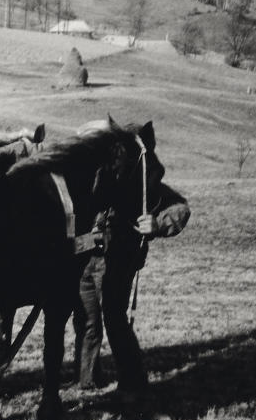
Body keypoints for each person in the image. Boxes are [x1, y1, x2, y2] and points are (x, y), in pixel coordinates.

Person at [72, 122, 191, 397]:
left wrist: (158, 224)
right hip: (84, 264)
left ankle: (134, 383)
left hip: (118, 262)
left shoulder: (137, 181)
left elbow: (180, 208)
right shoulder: (86, 181)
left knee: (114, 320)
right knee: (86, 321)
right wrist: (76, 239)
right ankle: (87, 379)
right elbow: (71, 223)